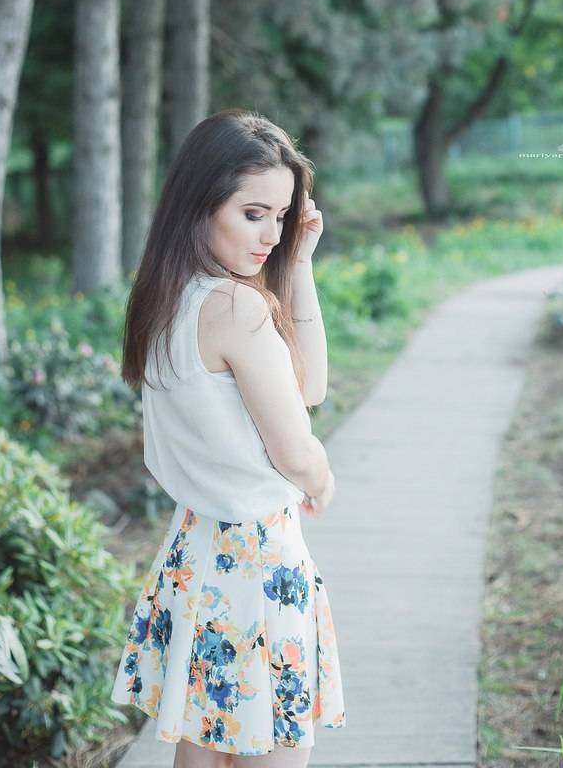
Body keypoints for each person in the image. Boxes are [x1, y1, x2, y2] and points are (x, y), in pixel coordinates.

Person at [110, 109, 346, 767]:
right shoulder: (236, 307)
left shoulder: (166, 300)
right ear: (201, 204)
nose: (272, 234)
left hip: (196, 552)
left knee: (202, 757)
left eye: (282, 215)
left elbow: (307, 385)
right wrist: (320, 477)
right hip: (255, 562)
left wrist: (298, 263)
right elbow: (296, 442)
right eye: (253, 213)